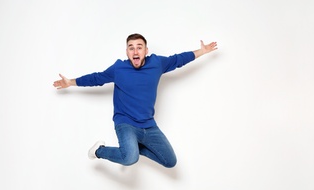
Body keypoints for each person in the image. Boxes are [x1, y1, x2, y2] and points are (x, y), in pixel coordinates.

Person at [53, 33, 217, 168]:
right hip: (126, 123)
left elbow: (178, 60)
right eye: (131, 48)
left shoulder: (157, 63)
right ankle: (99, 151)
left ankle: (132, 147)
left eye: (139, 47)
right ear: (127, 52)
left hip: (149, 125)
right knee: (130, 158)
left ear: (146, 50)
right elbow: (97, 78)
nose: (135, 51)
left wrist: (201, 52)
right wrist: (71, 82)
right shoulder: (119, 68)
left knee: (170, 161)